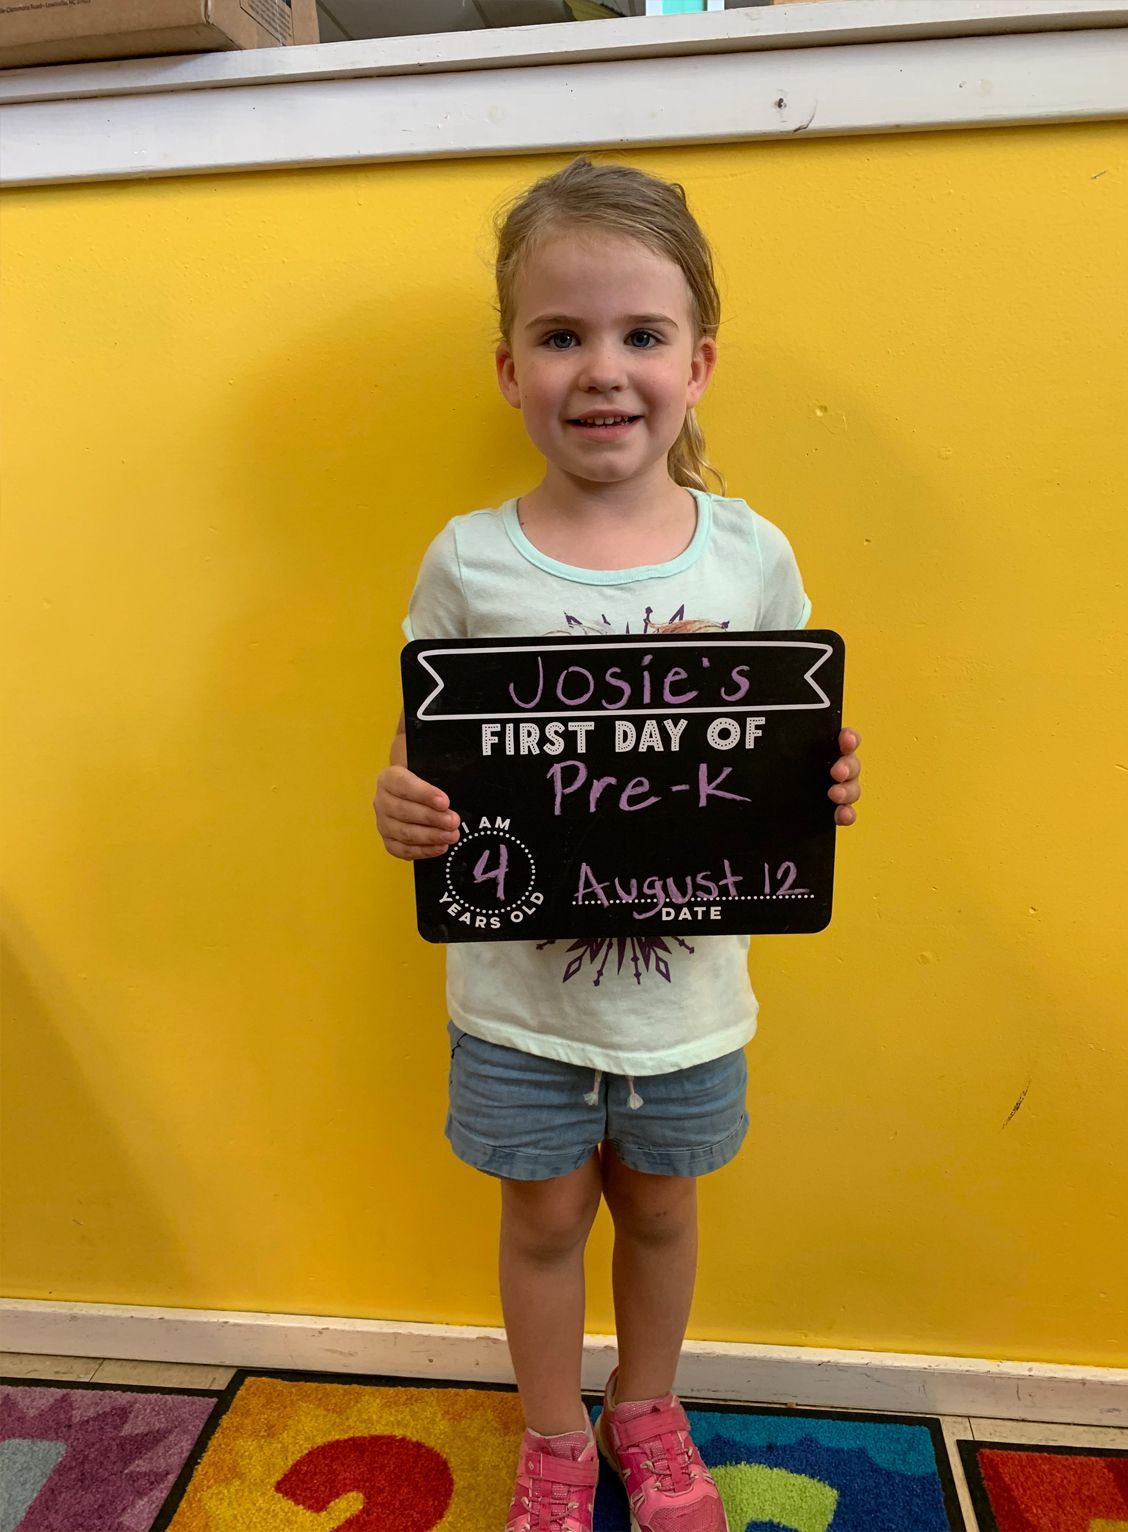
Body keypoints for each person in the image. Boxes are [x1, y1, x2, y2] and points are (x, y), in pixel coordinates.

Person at [373, 156, 862, 1532]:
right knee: (539, 1224)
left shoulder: (748, 554)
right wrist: (398, 805)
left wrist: (821, 784)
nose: (603, 370)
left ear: (697, 364)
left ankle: (646, 1409)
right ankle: (548, 1436)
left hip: (690, 1001)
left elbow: (791, 748)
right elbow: (428, 749)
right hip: (516, 1003)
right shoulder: (469, 560)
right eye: (562, 335)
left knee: (657, 1214)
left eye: (641, 335)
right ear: (508, 366)